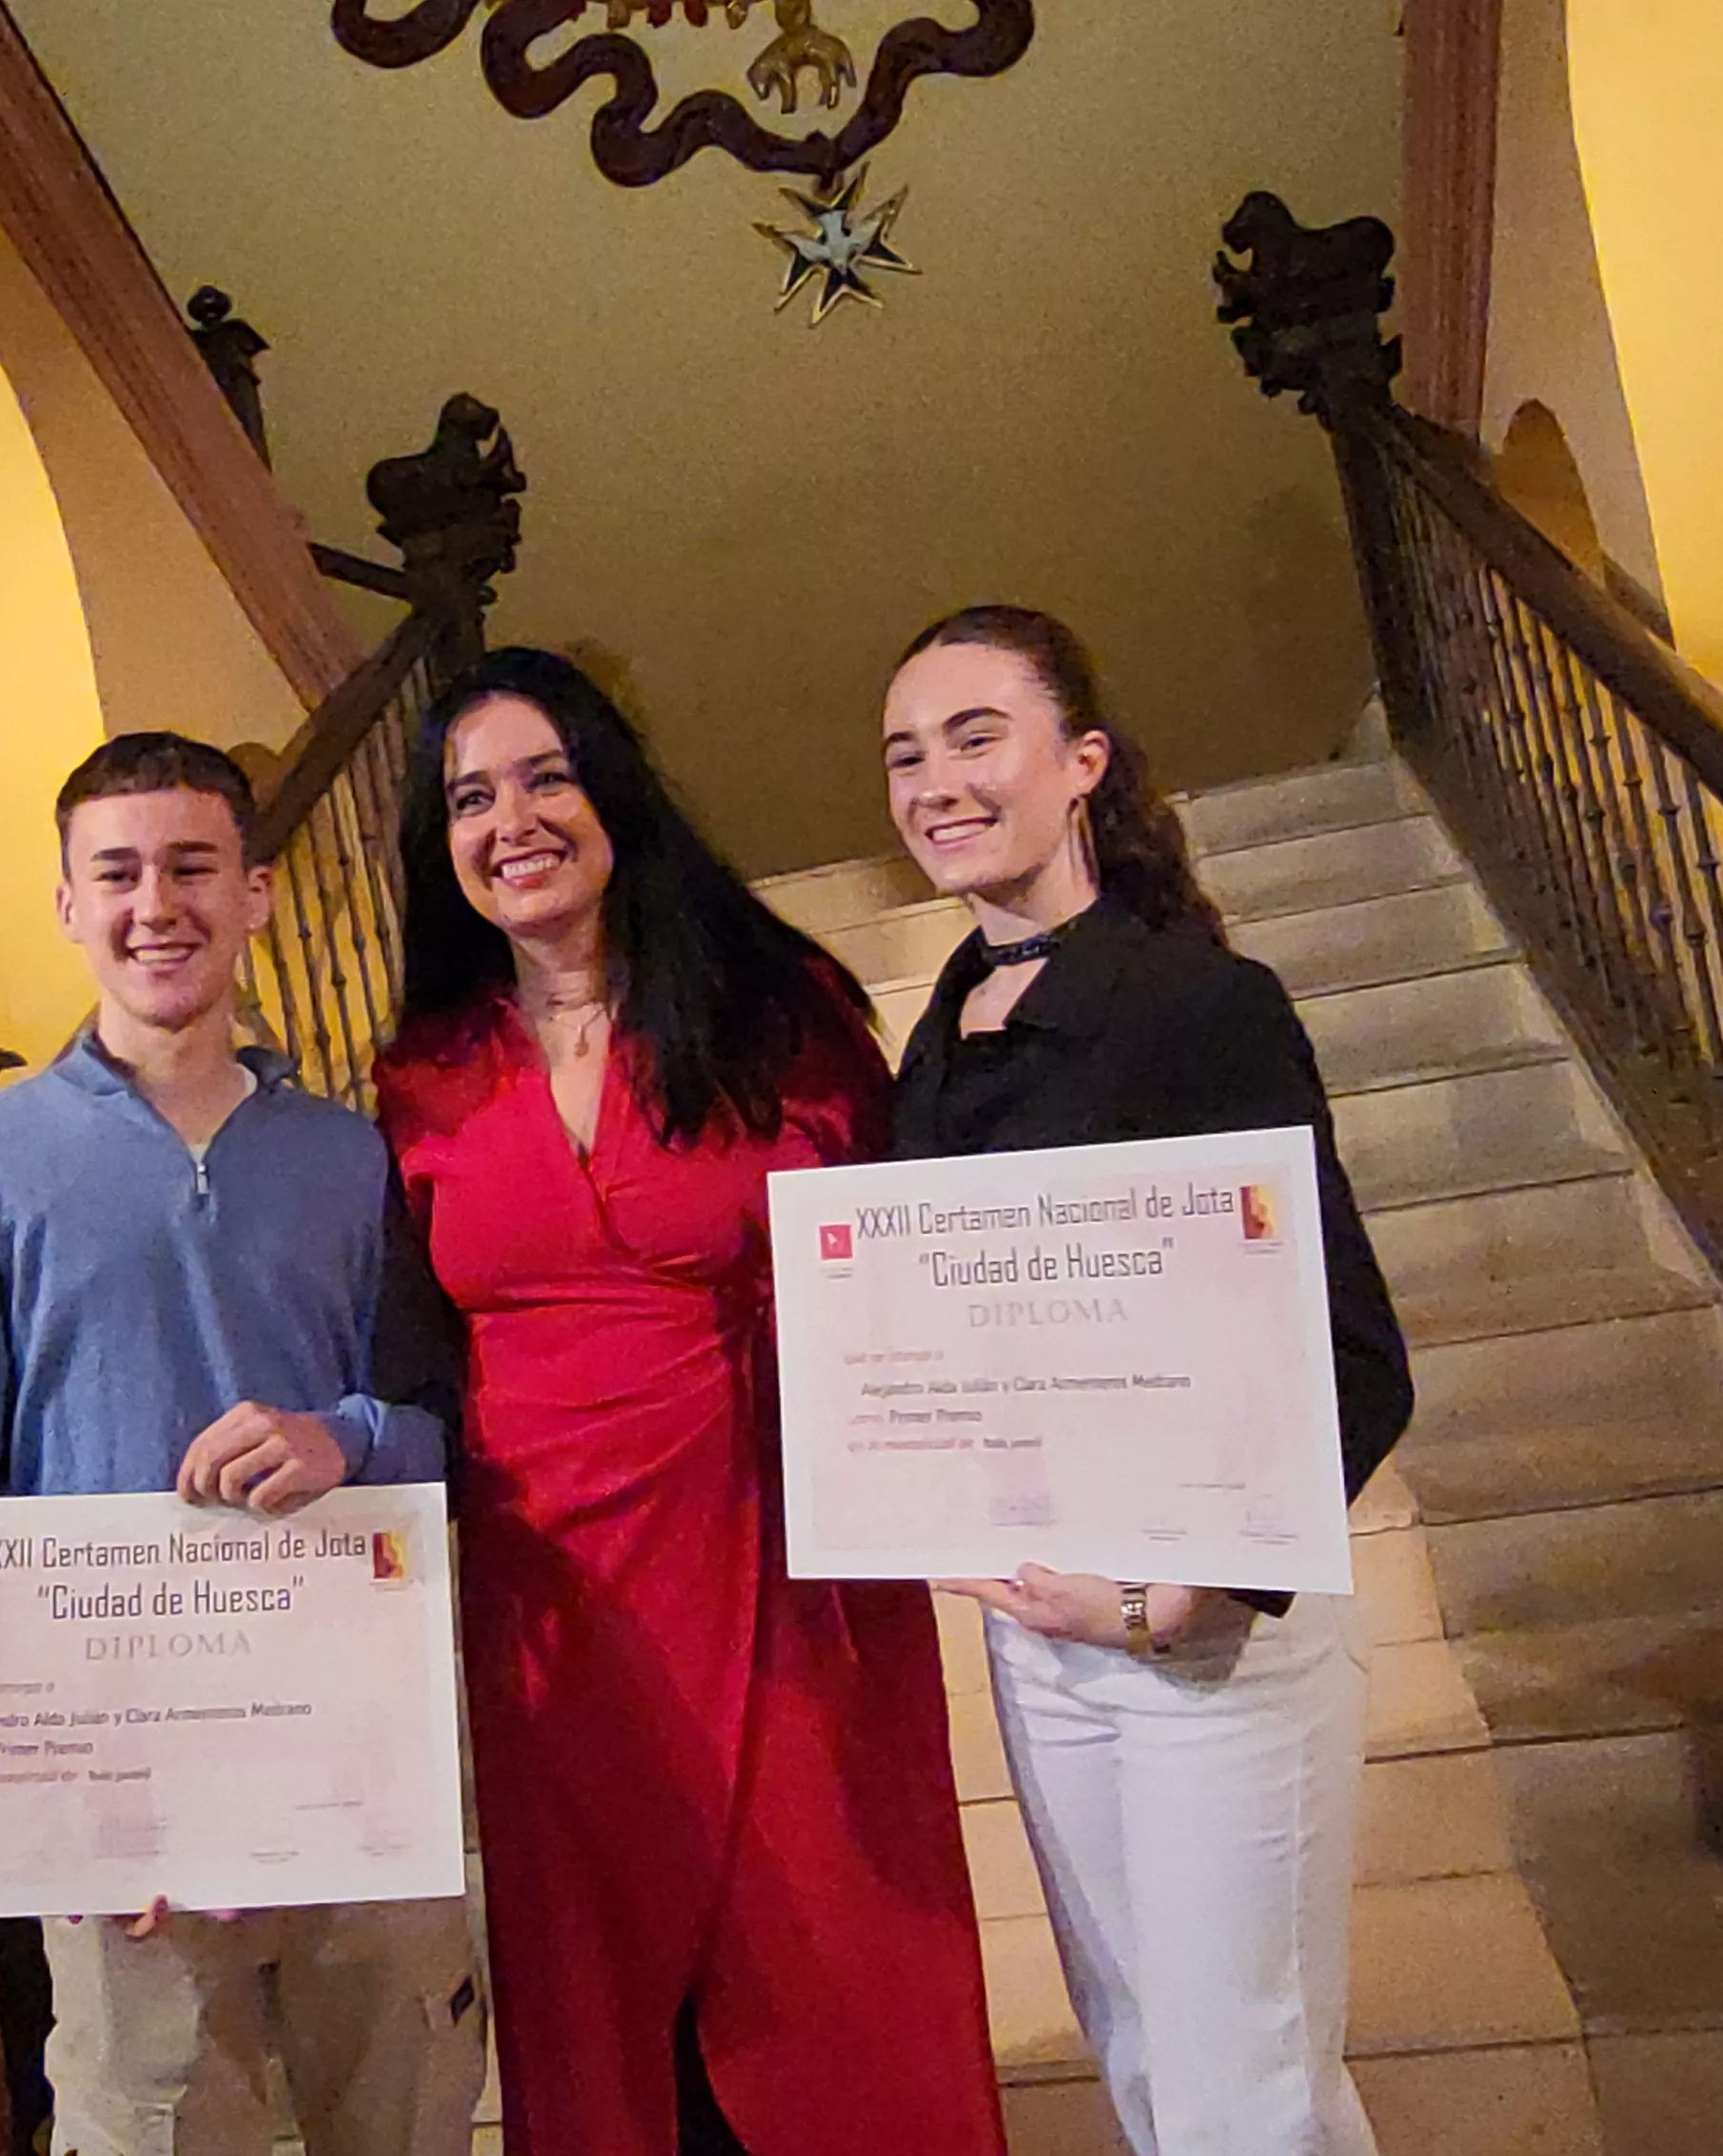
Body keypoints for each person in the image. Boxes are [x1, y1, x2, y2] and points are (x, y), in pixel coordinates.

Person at [372, 648, 1010, 2156]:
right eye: (470, 796)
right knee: (604, 2003)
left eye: (545, 776)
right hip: (558, 1606)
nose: (512, 819)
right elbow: (405, 1351)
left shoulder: (775, 1006)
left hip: (784, 1562)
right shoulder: (422, 1070)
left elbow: (903, 1258)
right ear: (438, 842)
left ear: (614, 793)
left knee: (833, 1971)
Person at [0, 730, 489, 2156]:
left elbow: (434, 1421)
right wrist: (63, 1804)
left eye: (190, 866)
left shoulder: (354, 1153)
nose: (155, 903)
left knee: (403, 2112)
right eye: (117, 873)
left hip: (350, 1739)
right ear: (66, 904)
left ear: (258, 892)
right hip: (122, 1783)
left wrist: (347, 1436)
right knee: (151, 2121)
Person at [878, 604, 1415, 2156]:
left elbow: (1355, 1352)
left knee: (1249, 2090)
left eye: (978, 736)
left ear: (1081, 762)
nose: (937, 782)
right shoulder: (936, 1034)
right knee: (1141, 2065)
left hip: (1208, 1635)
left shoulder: (1197, 1005)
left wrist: (1206, 1585)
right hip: (1043, 1635)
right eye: (907, 755)